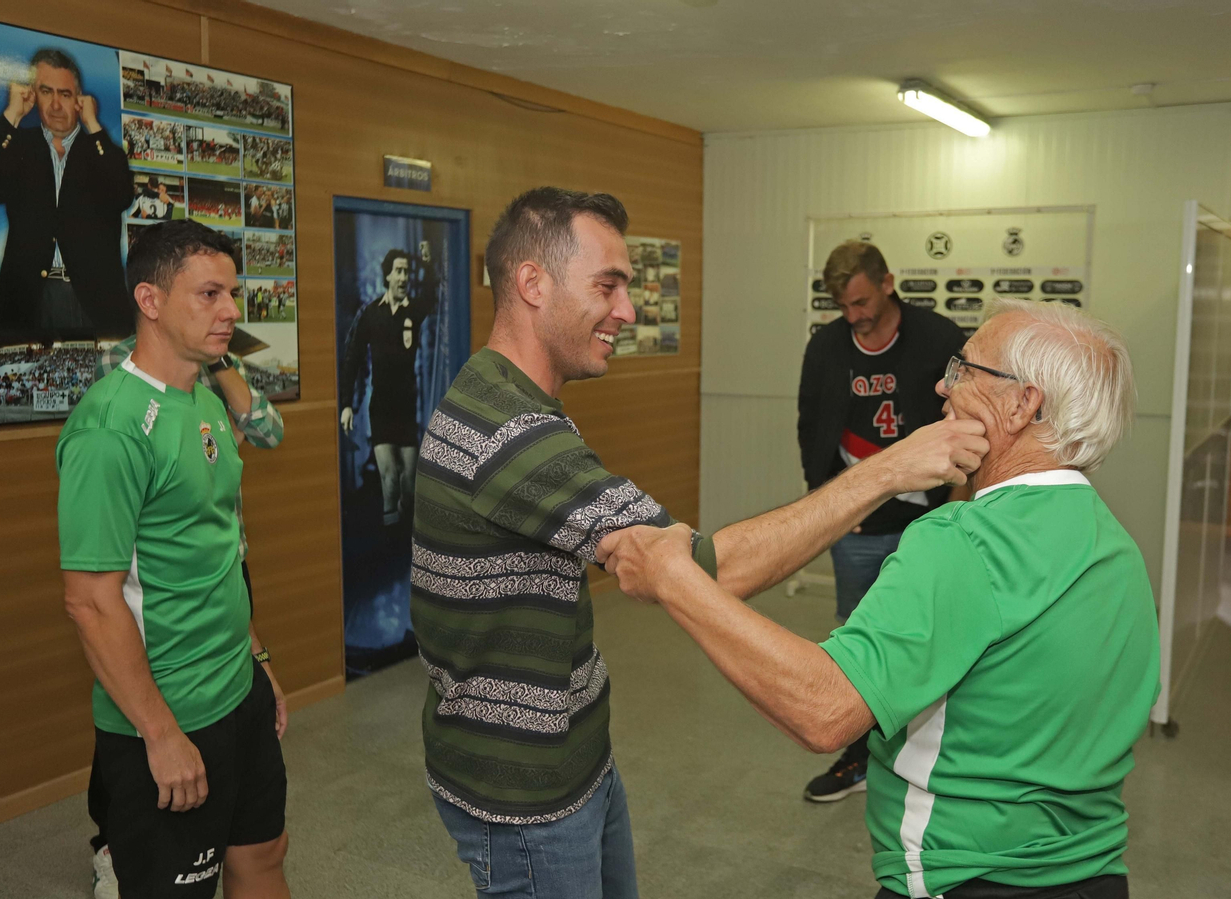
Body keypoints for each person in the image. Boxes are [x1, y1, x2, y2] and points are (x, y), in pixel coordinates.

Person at [414, 187, 986, 899]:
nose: (626, 310)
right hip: (526, 789)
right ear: (533, 283)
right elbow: (704, 567)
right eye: (608, 285)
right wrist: (892, 468)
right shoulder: (511, 432)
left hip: (574, 753)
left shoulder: (503, 393)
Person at [598, 300, 1160, 899]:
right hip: (1091, 876)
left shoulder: (965, 542)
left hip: (965, 877)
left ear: (1023, 404)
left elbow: (823, 709)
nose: (943, 385)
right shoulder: (1114, 544)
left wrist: (673, 578)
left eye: (966, 370)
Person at [57, 219, 290, 899]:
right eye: (210, 294)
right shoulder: (111, 427)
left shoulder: (206, 398)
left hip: (236, 689)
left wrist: (257, 660)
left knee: (265, 854)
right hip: (169, 711)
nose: (231, 311)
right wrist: (159, 733)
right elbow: (91, 601)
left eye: (233, 293)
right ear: (151, 301)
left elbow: (218, 548)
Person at [796, 240, 967, 802]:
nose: (855, 317)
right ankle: (861, 756)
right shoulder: (826, 346)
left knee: (932, 645)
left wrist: (954, 511)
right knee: (858, 646)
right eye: (844, 307)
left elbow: (969, 421)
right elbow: (809, 423)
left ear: (888, 282)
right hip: (857, 527)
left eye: (863, 302)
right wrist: (827, 505)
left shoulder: (939, 338)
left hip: (931, 525)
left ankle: (927, 755)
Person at [0, 47, 133, 334]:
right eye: (46, 91)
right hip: (28, 300)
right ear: (32, 94)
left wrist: (93, 126)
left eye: (65, 94)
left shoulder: (101, 149)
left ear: (80, 100)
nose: (56, 105)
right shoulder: (19, 144)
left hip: (94, 303)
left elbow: (121, 195)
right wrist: (12, 114)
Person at [339, 242, 439, 526]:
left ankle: (405, 538)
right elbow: (353, 359)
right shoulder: (371, 313)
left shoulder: (414, 310)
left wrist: (428, 264)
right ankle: (390, 539)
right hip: (380, 406)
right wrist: (346, 404)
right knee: (389, 479)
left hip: (406, 405)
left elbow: (431, 296)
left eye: (407, 271)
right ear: (388, 276)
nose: (404, 277)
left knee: (409, 484)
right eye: (398, 271)